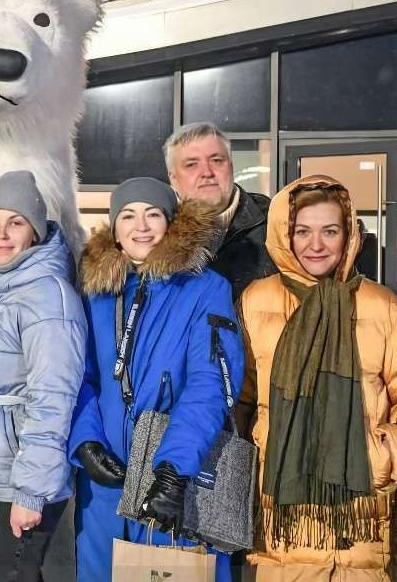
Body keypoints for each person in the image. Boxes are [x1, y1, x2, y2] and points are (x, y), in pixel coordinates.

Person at [237, 175, 397, 581]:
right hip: (280, 521)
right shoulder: (255, 301)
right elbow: (239, 401)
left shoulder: (382, 307)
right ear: (285, 234)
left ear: (349, 235)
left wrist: (382, 455)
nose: (316, 245)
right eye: (303, 231)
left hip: (363, 519)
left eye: (329, 231)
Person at [69, 177, 244, 582]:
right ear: (114, 229)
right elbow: (79, 377)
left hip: (176, 482)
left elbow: (210, 384)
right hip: (106, 487)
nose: (141, 226)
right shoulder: (97, 292)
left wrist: (173, 471)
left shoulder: (205, 289)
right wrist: (85, 440)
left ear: (171, 223)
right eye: (128, 215)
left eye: (153, 214)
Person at [0, 171, 86, 582]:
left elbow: (52, 396)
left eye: (16, 222)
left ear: (35, 231)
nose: (2, 234)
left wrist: (31, 490)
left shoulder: (46, 294)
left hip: (19, 479)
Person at [165, 122, 276, 301]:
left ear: (231, 167)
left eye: (216, 160)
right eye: (192, 164)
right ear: (173, 178)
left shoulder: (277, 222)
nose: (207, 172)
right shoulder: (152, 231)